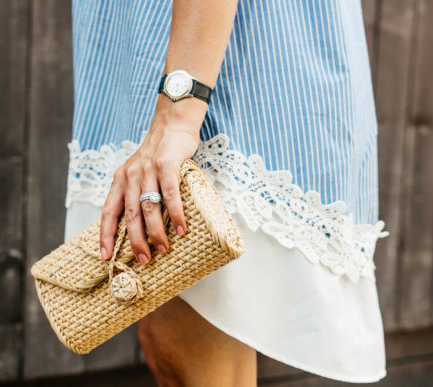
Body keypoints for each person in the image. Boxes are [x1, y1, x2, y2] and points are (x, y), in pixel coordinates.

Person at [64, 0, 388, 385]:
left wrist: (178, 112)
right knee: (170, 350)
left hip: (205, 71)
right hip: (167, 55)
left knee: (193, 362)